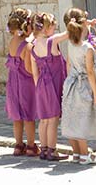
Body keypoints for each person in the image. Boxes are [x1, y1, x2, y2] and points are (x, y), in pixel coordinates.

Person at [61, 8, 96, 165]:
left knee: (72, 119)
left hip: (71, 84)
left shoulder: (71, 44)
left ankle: (77, 154)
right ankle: (85, 154)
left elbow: (68, 64)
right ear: (83, 26)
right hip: (84, 86)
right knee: (82, 121)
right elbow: (91, 72)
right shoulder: (87, 48)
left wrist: (68, 81)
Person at [30, 12, 69, 161]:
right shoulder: (52, 41)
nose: (55, 27)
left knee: (44, 119)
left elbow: (35, 74)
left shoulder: (33, 48)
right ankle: (52, 151)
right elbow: (68, 33)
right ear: (45, 28)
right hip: (53, 85)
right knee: (53, 119)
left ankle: (43, 149)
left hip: (40, 86)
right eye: (53, 25)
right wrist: (80, 21)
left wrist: (39, 88)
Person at [5, 8, 39, 156]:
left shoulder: (12, 41)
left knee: (17, 117)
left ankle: (18, 145)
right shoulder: (27, 45)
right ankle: (31, 146)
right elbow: (28, 68)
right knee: (28, 115)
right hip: (26, 83)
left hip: (12, 83)